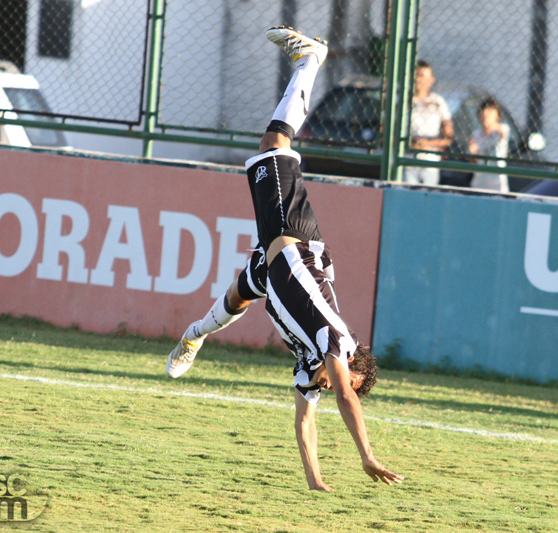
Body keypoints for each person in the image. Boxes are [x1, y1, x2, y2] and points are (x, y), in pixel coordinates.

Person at [166, 26, 403, 491]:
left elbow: (304, 424)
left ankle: (193, 336)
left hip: (273, 274)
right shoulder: (337, 343)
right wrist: (367, 456)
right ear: (352, 361)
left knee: (234, 300)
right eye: (345, 381)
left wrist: (315, 480)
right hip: (292, 245)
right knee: (274, 147)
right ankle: (311, 59)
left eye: (337, 385)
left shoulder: (309, 371)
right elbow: (347, 405)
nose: (333, 385)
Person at [404, 60, 454, 186]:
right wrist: (408, 143)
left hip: (429, 159)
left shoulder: (438, 101)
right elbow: (386, 132)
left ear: (431, 80)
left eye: (422, 76)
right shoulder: (402, 100)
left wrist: (426, 144)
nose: (418, 79)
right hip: (406, 159)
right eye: (416, 75)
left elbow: (448, 136)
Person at [468, 98, 510, 192]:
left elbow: (501, 132)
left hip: (497, 184)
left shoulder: (503, 129)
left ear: (497, 116)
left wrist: (491, 125)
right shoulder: (476, 134)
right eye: (484, 114)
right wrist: (472, 154)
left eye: (490, 113)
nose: (486, 116)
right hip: (479, 183)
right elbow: (472, 161)